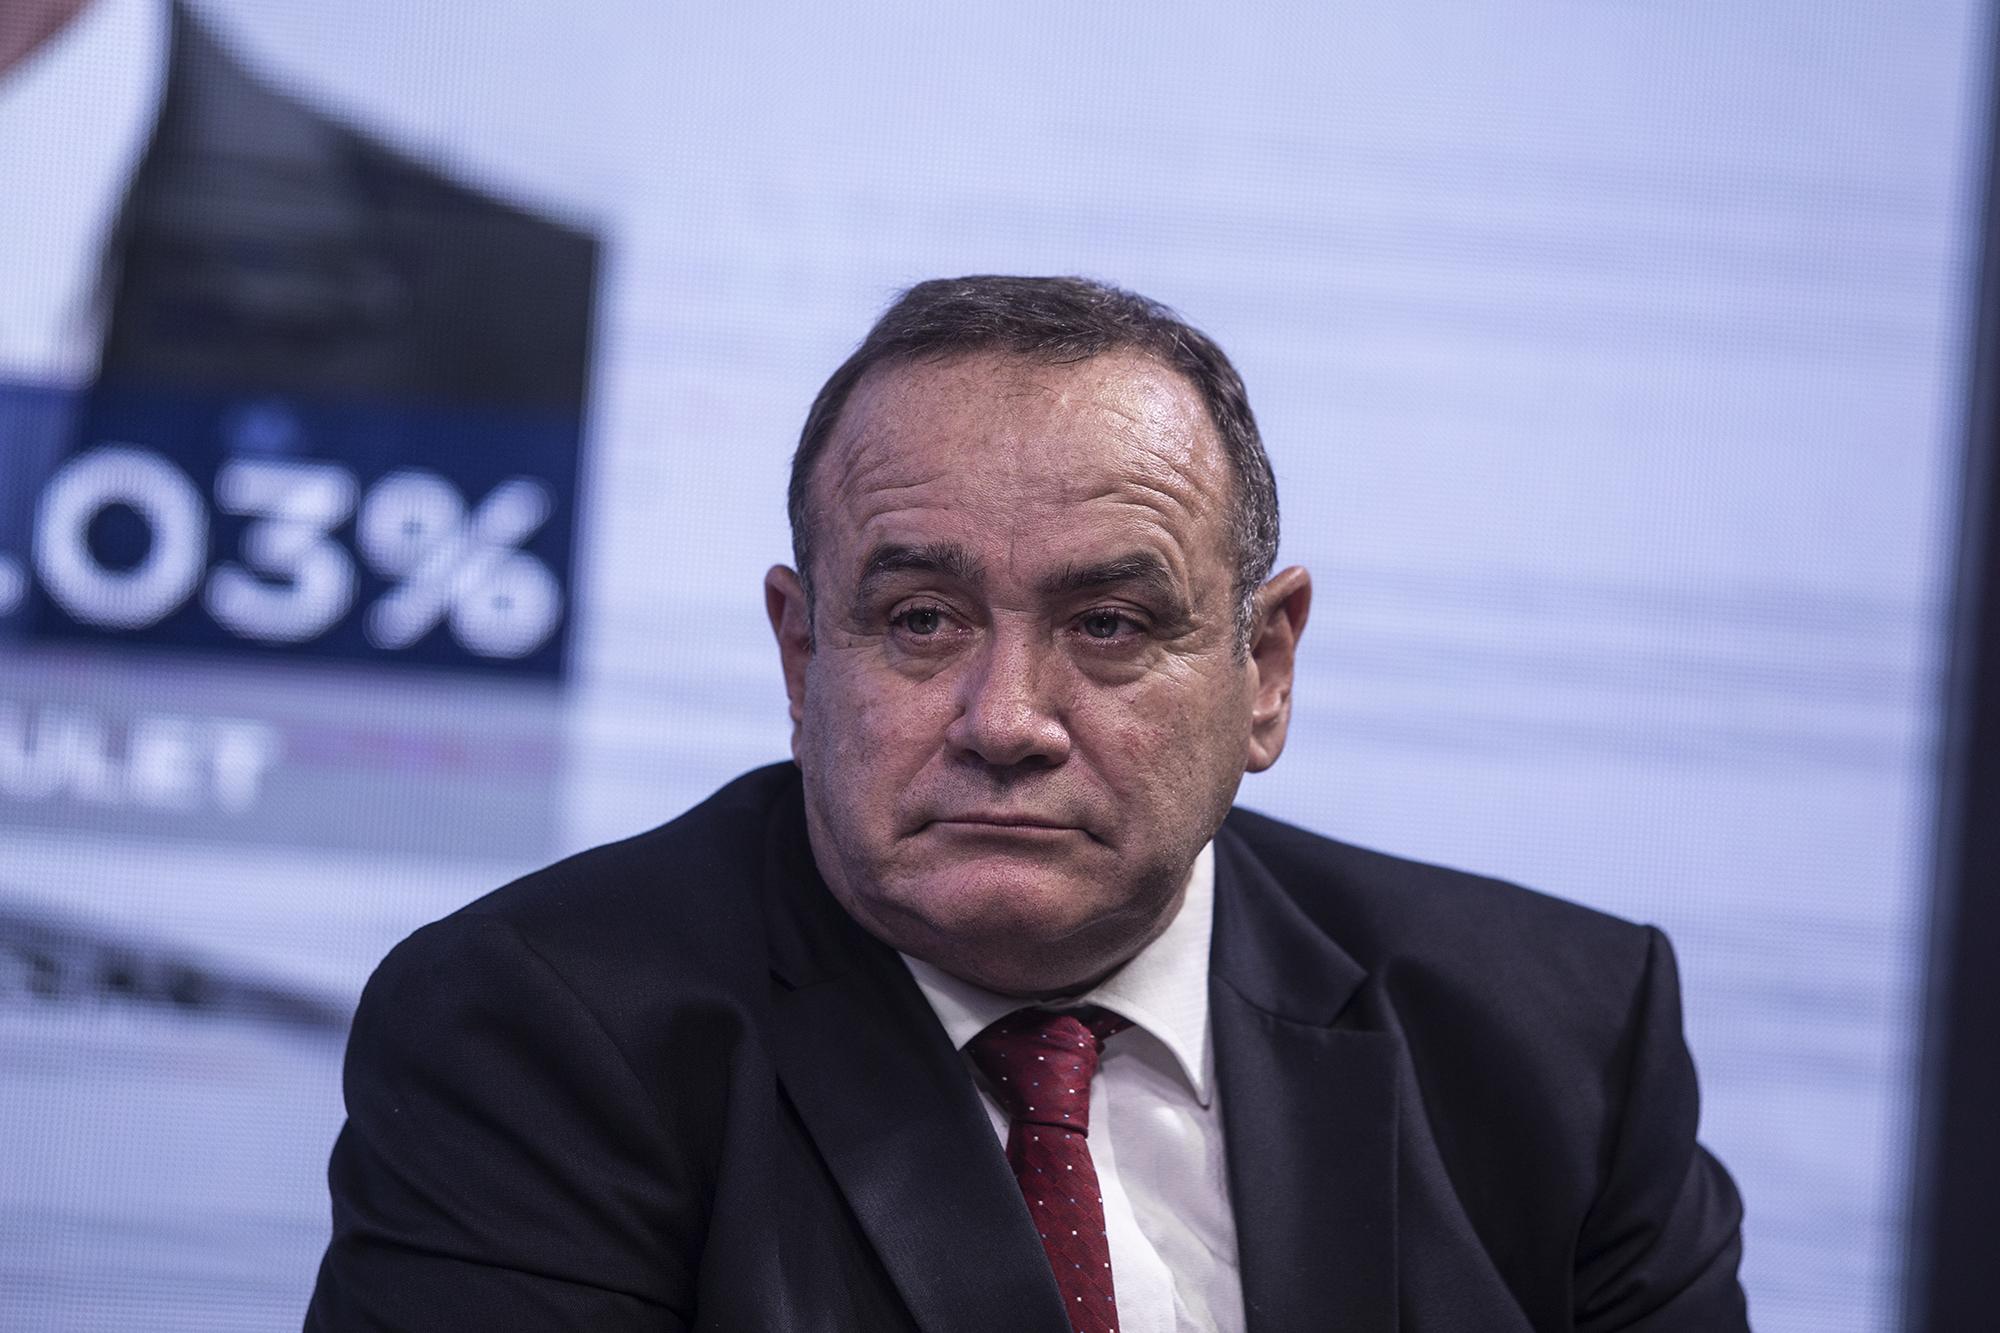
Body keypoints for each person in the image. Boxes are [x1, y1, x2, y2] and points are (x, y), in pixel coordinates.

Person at [305, 276, 1749, 1331]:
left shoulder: (1560, 1041)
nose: (1006, 719)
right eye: (923, 620)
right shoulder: (537, 1034)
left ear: (1265, 666)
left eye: (1111, 624)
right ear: (803, 656)